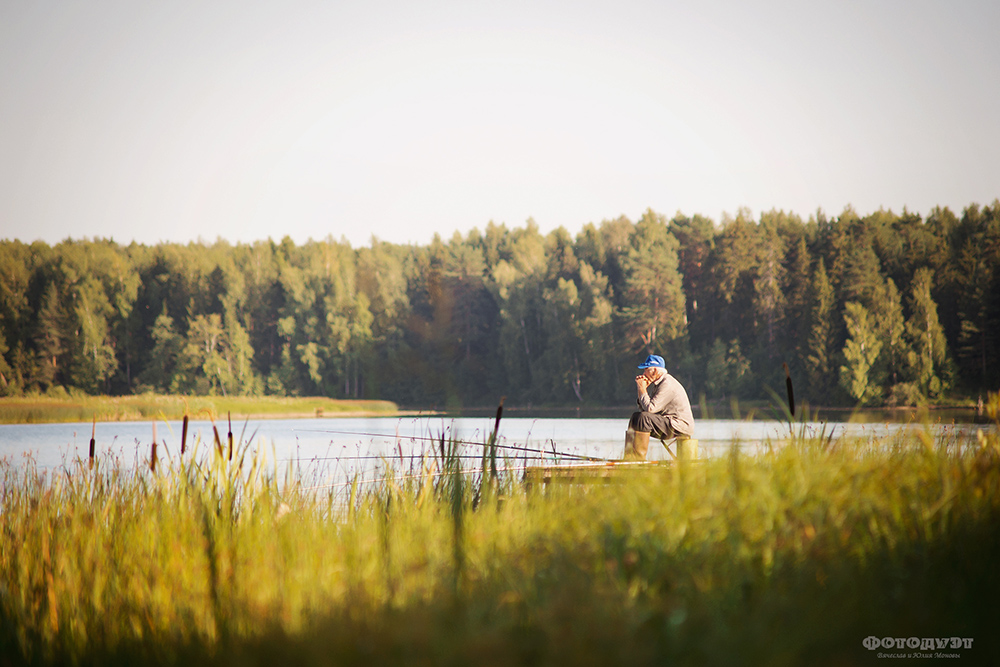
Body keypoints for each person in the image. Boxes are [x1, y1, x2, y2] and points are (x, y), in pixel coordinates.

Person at [623, 354, 695, 461]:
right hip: (668, 421)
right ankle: (629, 457)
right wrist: (641, 390)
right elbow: (644, 410)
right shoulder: (658, 384)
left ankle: (638, 459)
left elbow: (650, 409)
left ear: (655, 371)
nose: (643, 374)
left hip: (678, 425)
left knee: (644, 418)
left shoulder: (667, 384)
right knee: (636, 417)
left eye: (646, 370)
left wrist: (642, 389)